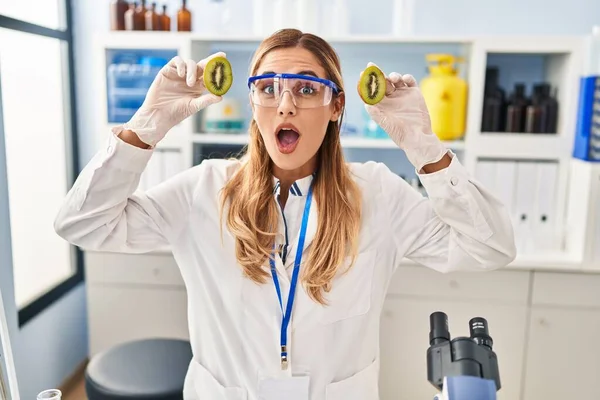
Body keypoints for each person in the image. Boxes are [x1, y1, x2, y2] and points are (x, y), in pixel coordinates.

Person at [54, 29, 516, 400]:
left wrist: (424, 146)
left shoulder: (378, 193)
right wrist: (147, 125)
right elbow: (83, 222)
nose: (286, 103)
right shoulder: (204, 189)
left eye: (306, 88)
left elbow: (490, 247)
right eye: (268, 88)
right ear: (253, 106)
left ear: (337, 106)